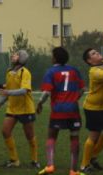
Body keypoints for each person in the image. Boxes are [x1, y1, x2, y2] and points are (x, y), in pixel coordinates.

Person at [36, 46, 85, 175]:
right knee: (74, 137)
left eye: (52, 56)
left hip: (58, 109)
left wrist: (39, 103)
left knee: (52, 135)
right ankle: (73, 170)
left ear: (55, 58)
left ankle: (50, 165)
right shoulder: (74, 70)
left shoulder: (51, 72)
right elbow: (82, 89)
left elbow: (46, 92)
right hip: (73, 109)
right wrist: (74, 98)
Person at [0, 50, 40, 169]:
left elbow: (24, 91)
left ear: (22, 58)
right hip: (12, 109)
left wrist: (7, 92)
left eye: (16, 54)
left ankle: (34, 160)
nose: (13, 55)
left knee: (29, 135)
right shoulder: (9, 72)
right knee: (5, 131)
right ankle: (14, 160)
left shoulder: (25, 72)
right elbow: (7, 92)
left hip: (26, 109)